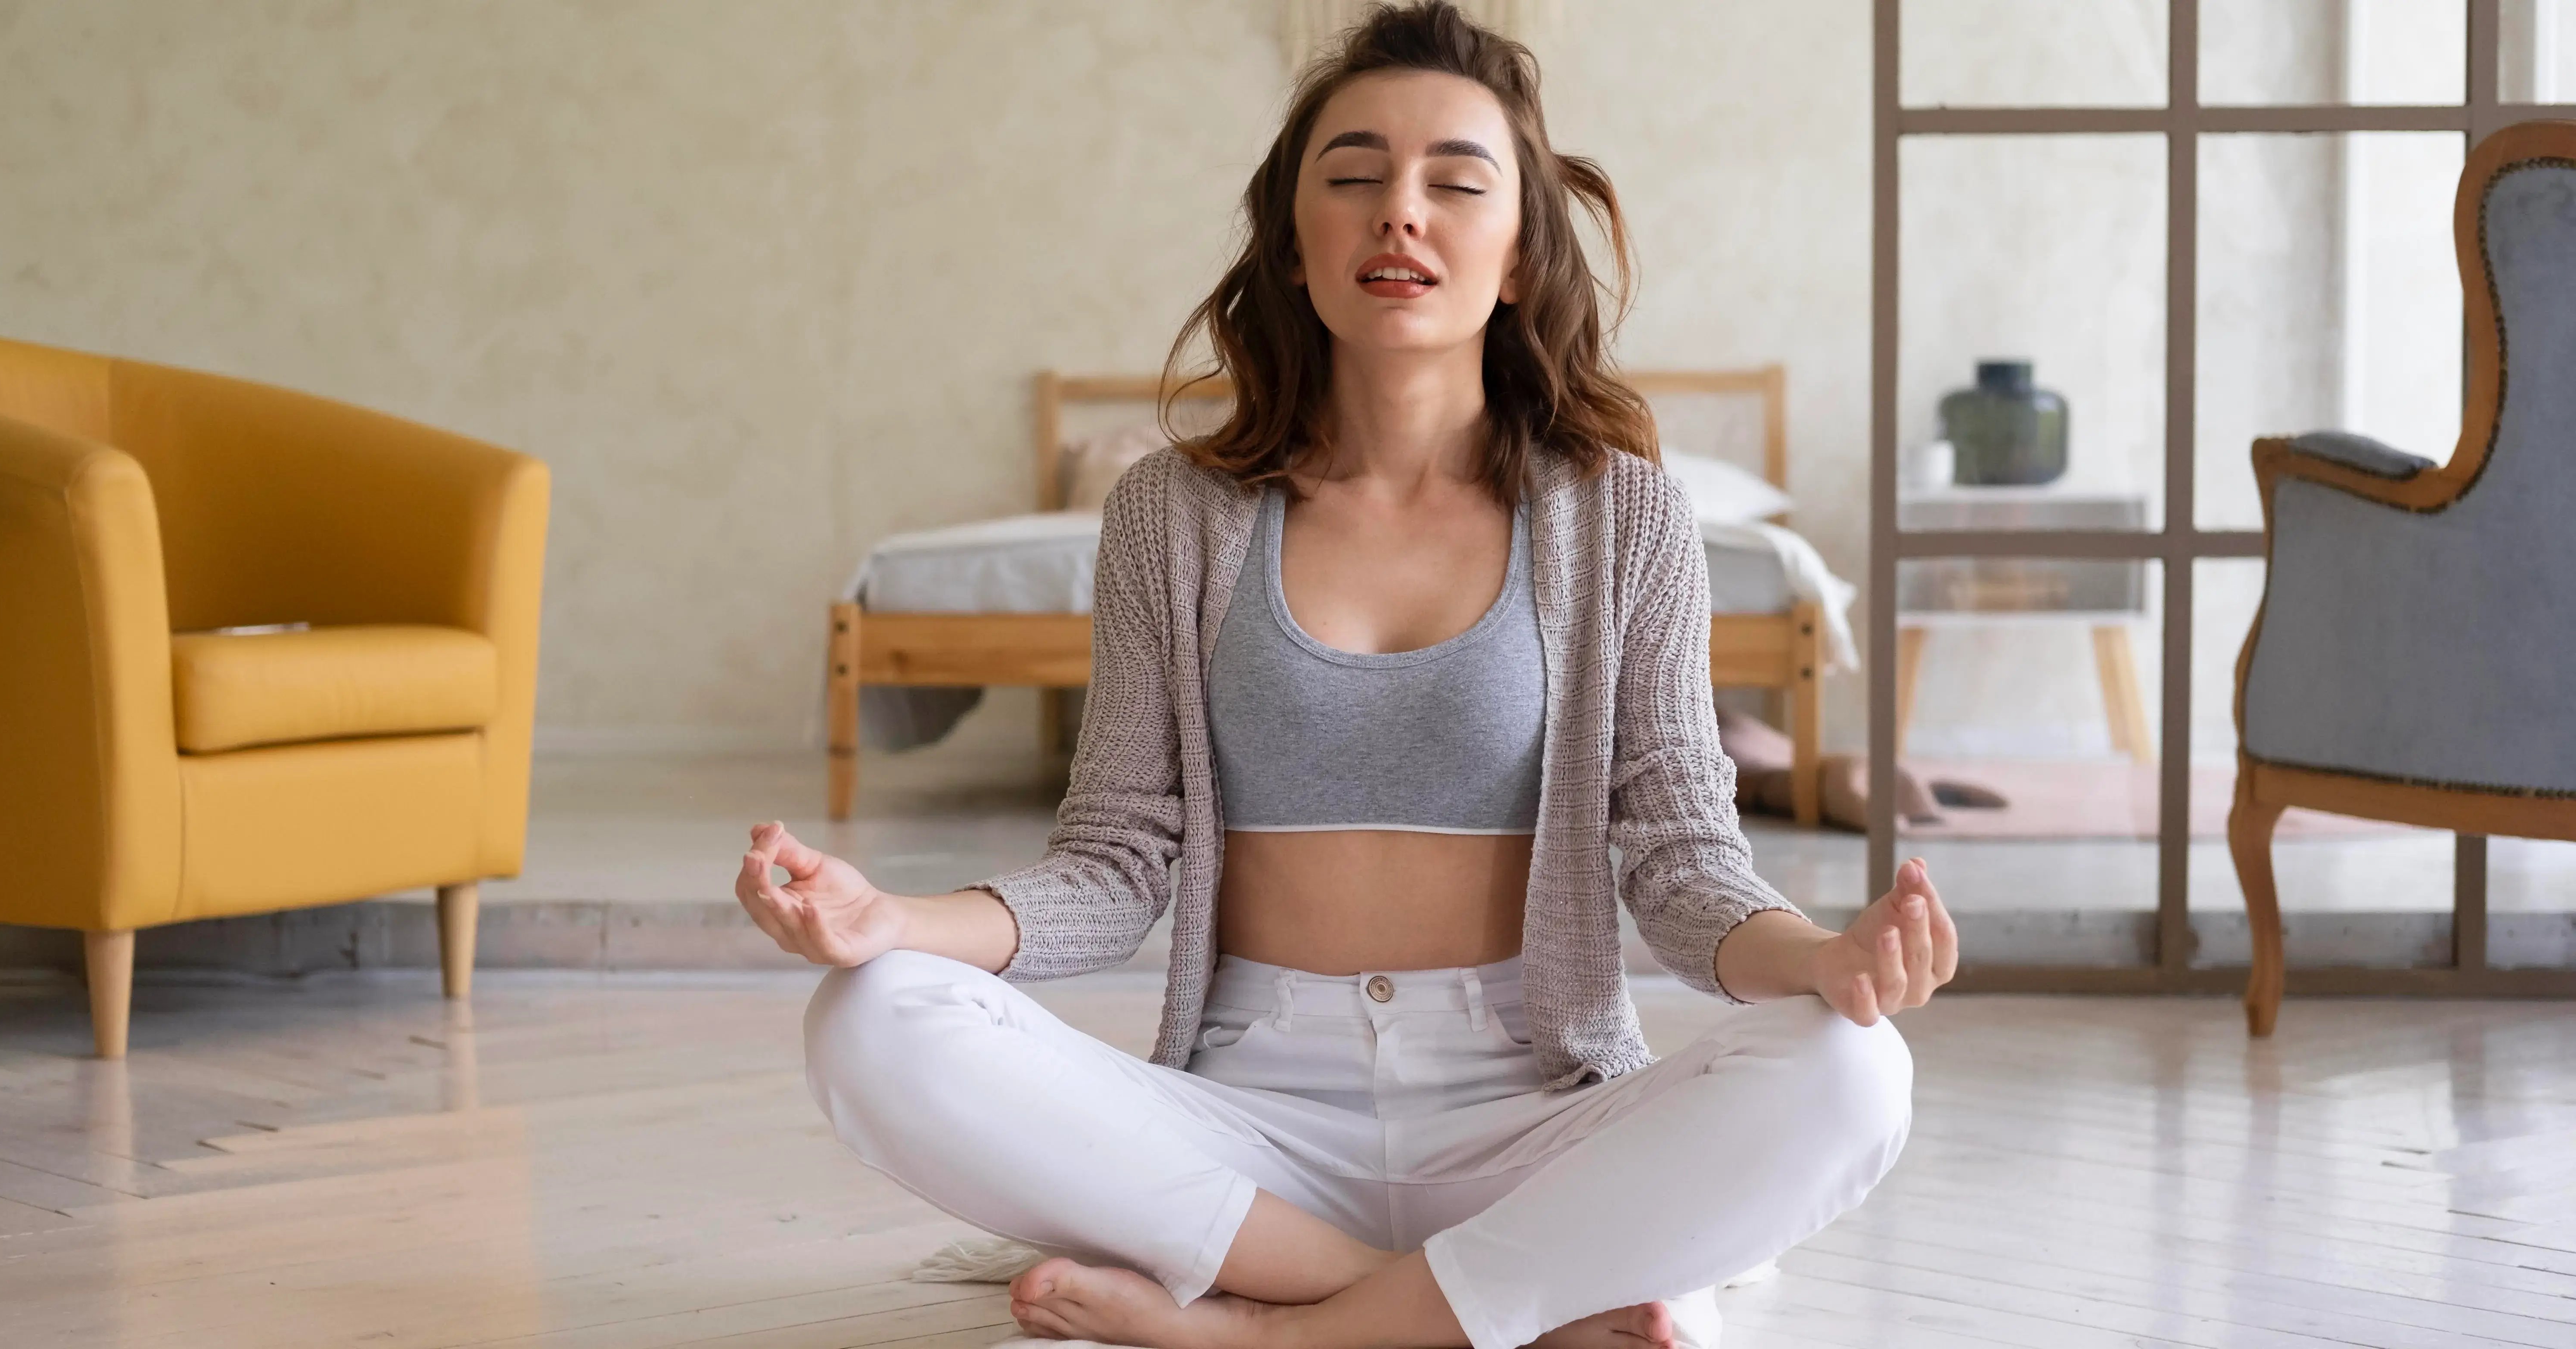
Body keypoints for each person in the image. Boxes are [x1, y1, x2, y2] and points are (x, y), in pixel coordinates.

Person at [736, 6, 1955, 1347]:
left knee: (1851, 1070)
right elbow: (1117, 860)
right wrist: (888, 922)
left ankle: (1280, 1329)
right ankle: (1476, 1300)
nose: (1402, 215)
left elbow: (1679, 860)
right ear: (1293, 242)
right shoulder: (1173, 514)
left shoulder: (1626, 518)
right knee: (871, 1019)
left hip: (1531, 1113)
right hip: (1249, 1117)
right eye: (1355, 175)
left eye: (1457, 181)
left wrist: (1823, 957)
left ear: (1517, 253)